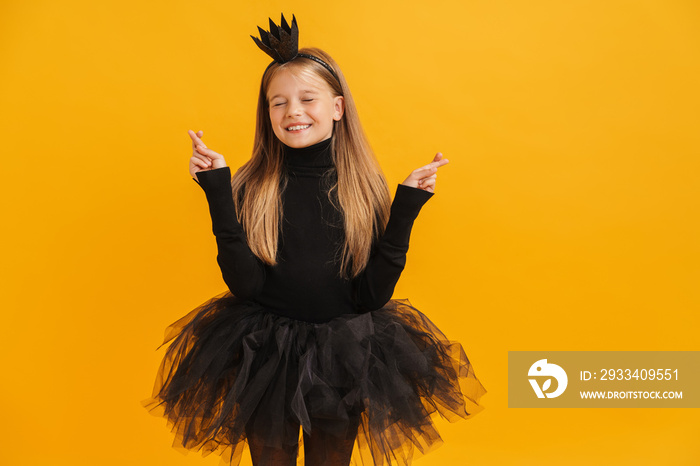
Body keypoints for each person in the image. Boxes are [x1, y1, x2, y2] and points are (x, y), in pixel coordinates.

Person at [142, 13, 486, 466]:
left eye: (307, 98)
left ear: (338, 108)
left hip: (344, 354)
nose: (293, 112)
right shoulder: (252, 186)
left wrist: (406, 208)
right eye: (277, 102)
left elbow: (371, 296)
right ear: (266, 113)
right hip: (265, 353)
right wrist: (218, 191)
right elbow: (246, 287)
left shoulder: (364, 189)